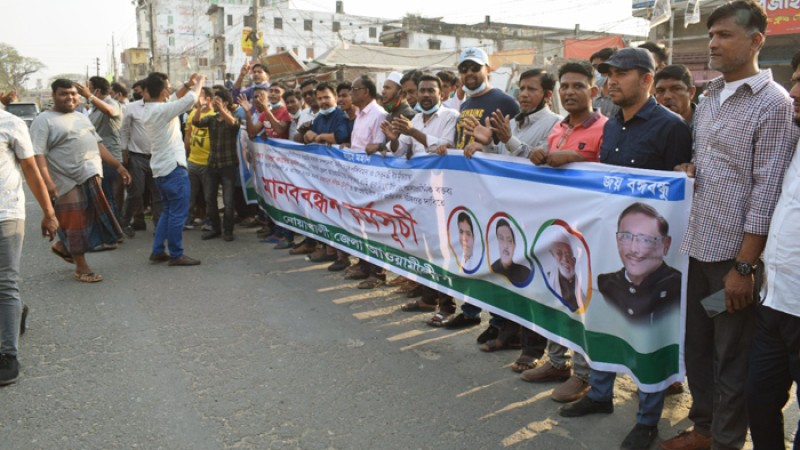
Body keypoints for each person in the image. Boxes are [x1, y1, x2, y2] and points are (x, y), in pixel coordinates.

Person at [663, 2, 800, 449]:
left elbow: (766, 189)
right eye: (710, 35)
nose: (713, 43)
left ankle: (725, 441)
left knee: (732, 359)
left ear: (756, 40)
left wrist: (743, 267)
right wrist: (691, 168)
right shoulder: (709, 98)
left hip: (733, 258)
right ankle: (703, 428)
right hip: (698, 246)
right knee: (698, 350)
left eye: (723, 35)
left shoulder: (774, 104)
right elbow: (714, 165)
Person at [558, 47, 692, 450]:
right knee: (603, 315)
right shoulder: (612, 126)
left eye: (621, 73)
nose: (611, 81)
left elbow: (679, 196)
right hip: (609, 241)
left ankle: (647, 418)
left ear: (646, 79)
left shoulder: (672, 128)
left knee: (645, 331)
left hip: (651, 255)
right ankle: (600, 393)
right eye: (608, 74)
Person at [522, 60, 607, 402]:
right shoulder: (558, 128)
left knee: (582, 303)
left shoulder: (605, 128)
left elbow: (613, 173)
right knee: (555, 295)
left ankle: (583, 374)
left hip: (587, 234)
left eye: (578, 86)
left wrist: (575, 158)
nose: (570, 92)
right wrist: (540, 154)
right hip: (555, 229)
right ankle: (557, 361)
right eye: (565, 87)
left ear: (594, 91)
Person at [437, 47, 520, 332]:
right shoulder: (464, 104)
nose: (469, 74)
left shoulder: (504, 101)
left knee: (495, 253)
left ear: (488, 69)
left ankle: (498, 321)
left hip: (492, 191)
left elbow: (512, 142)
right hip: (467, 188)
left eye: (475, 68)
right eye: (464, 69)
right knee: (469, 250)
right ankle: (470, 309)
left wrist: (487, 147)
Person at [745, 49, 800, 450]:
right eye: (795, 78)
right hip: (775, 300)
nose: (794, 91)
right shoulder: (791, 140)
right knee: (759, 399)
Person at [31, 79, 132, 282]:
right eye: (63, 94)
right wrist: (48, 182)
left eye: (73, 94)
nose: (70, 97)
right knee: (76, 222)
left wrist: (118, 166)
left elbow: (98, 144)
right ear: (54, 96)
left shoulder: (81, 117)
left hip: (91, 175)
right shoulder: (44, 120)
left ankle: (63, 246)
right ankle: (81, 267)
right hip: (66, 180)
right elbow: (37, 155)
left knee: (89, 220)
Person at [0, 107, 58, 385]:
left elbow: (31, 171)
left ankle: (8, 354)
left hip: (6, 214)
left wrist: (48, 212)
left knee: (5, 282)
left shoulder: (10, 124)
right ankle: (16, 310)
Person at [141, 71, 206, 266]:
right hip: (173, 167)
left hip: (162, 168)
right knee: (177, 213)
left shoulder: (152, 108)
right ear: (163, 92)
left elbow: (176, 98)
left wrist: (188, 84)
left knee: (169, 211)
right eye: (167, 88)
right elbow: (190, 99)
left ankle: (158, 250)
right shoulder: (162, 110)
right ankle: (176, 254)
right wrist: (200, 82)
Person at [598, 203, 680, 321]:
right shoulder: (605, 285)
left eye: (645, 240)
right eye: (626, 237)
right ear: (617, 240)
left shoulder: (681, 287)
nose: (633, 249)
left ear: (665, 244)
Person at [463, 69, 561, 159]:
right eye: (522, 89)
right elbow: (501, 157)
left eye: (531, 89)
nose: (523, 94)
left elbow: (539, 159)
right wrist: (487, 145)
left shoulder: (557, 124)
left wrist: (509, 140)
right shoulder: (512, 123)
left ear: (547, 95)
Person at [76, 77, 125, 227]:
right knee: (103, 194)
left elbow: (110, 111)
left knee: (109, 194)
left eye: (89, 88)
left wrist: (89, 96)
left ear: (97, 90)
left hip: (110, 156)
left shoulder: (112, 103)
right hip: (96, 157)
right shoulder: (94, 108)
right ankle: (112, 227)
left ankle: (116, 227)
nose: (86, 91)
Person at [194, 88, 241, 242]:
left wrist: (222, 109)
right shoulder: (211, 119)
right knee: (210, 199)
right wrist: (199, 108)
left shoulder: (233, 117)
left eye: (217, 101)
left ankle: (228, 230)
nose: (214, 104)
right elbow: (196, 122)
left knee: (228, 201)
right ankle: (215, 228)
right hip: (212, 164)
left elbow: (233, 124)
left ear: (226, 102)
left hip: (228, 165)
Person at [120, 82, 162, 237]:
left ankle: (159, 226)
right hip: (137, 157)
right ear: (144, 92)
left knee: (157, 194)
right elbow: (124, 129)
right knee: (135, 192)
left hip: (158, 157)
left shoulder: (162, 106)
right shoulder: (132, 107)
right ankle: (123, 223)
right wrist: (124, 149)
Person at [383, 74, 459, 158]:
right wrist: (394, 140)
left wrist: (414, 132)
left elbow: (446, 146)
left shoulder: (451, 116)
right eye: (422, 91)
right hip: (416, 171)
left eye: (431, 91)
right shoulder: (416, 119)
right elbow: (399, 151)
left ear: (441, 95)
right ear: (417, 95)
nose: (426, 95)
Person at [183, 87, 214, 230]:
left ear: (208, 99)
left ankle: (210, 220)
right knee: (190, 194)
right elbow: (188, 134)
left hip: (208, 163)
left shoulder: (215, 115)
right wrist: (185, 153)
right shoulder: (193, 114)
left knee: (209, 195)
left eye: (200, 97)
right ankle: (187, 219)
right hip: (192, 161)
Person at [654, 64, 696, 130]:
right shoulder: (650, 126)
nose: (667, 96)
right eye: (661, 91)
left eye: (676, 89)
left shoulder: (708, 121)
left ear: (691, 92)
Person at [490, 218, 530, 284]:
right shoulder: (490, 271)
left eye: (509, 241)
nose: (505, 246)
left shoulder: (526, 274)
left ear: (514, 246)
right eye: (501, 239)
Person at [590, 47, 620, 118]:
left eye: (599, 66)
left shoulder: (622, 97)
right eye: (595, 67)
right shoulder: (593, 94)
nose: (598, 70)